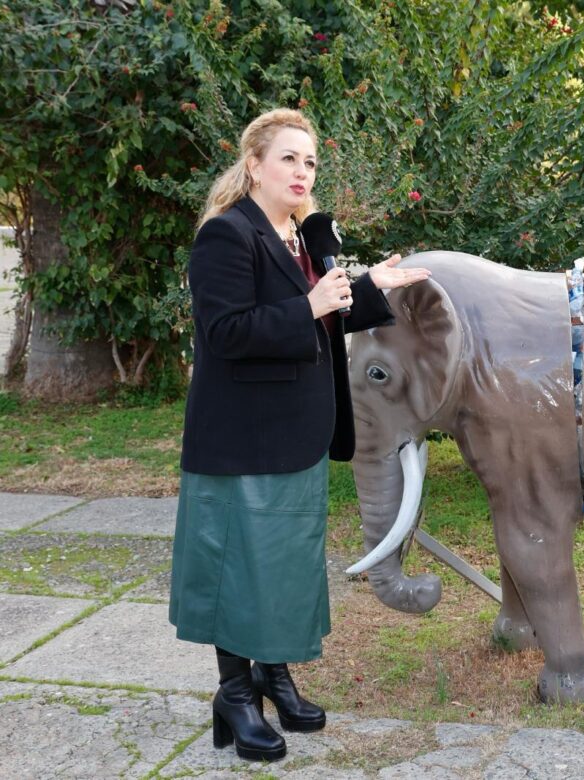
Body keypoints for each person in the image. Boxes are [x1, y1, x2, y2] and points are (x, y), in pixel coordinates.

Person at [169, 108, 430, 762]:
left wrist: (371, 288)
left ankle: (274, 676)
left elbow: (323, 316)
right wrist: (308, 305)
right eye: (288, 157)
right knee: (240, 568)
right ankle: (234, 694)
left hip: (300, 434)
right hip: (242, 439)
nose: (302, 170)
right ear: (253, 163)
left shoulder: (304, 238)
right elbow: (226, 334)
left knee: (285, 569)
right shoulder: (226, 238)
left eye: (310, 161)